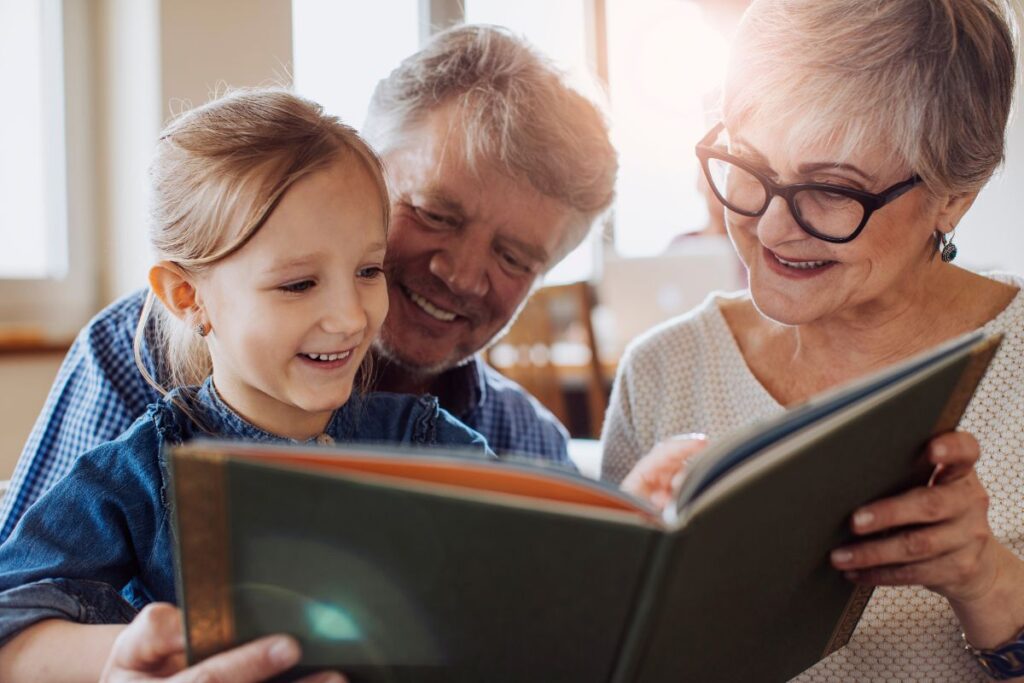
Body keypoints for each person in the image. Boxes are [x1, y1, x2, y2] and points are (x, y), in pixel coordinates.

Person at [0, 24, 617, 543]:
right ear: (363, 175)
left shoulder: (524, 444)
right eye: (434, 214)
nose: (458, 272)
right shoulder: (134, 353)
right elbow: (18, 610)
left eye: (512, 258)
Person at [0, 88, 489, 682]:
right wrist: (138, 658)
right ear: (188, 298)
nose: (350, 317)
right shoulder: (138, 475)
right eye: (298, 284)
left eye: (368, 271)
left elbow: (537, 582)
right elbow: (12, 620)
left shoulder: (430, 445)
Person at [604, 0, 1024, 680]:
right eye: (748, 163)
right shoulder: (664, 370)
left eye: (831, 189)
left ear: (953, 196)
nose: (770, 227)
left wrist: (989, 580)